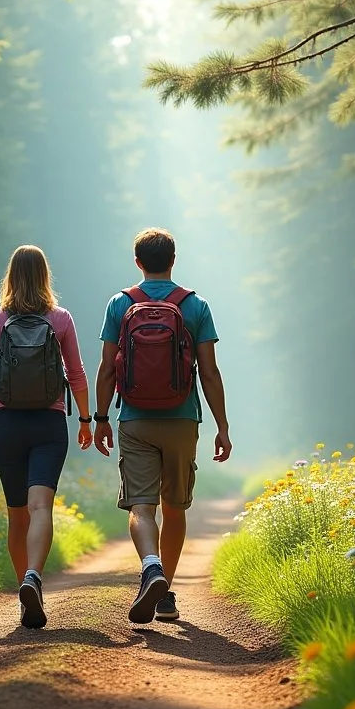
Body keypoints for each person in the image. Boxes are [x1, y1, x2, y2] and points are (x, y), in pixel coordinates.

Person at [92, 228, 232, 624]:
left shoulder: (120, 304)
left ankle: (150, 565)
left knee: (141, 505)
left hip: (134, 419)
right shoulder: (195, 306)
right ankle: (165, 591)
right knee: (175, 505)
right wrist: (222, 425)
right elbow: (209, 371)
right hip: (182, 419)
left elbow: (106, 368)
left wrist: (100, 418)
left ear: (138, 262)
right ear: (173, 260)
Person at [0, 245, 93, 629]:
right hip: (49, 426)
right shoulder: (61, 318)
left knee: (16, 515)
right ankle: (34, 577)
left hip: (8, 426)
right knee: (41, 508)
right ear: (44, 276)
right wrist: (86, 419)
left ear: (11, 277)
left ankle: (24, 589)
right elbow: (78, 374)